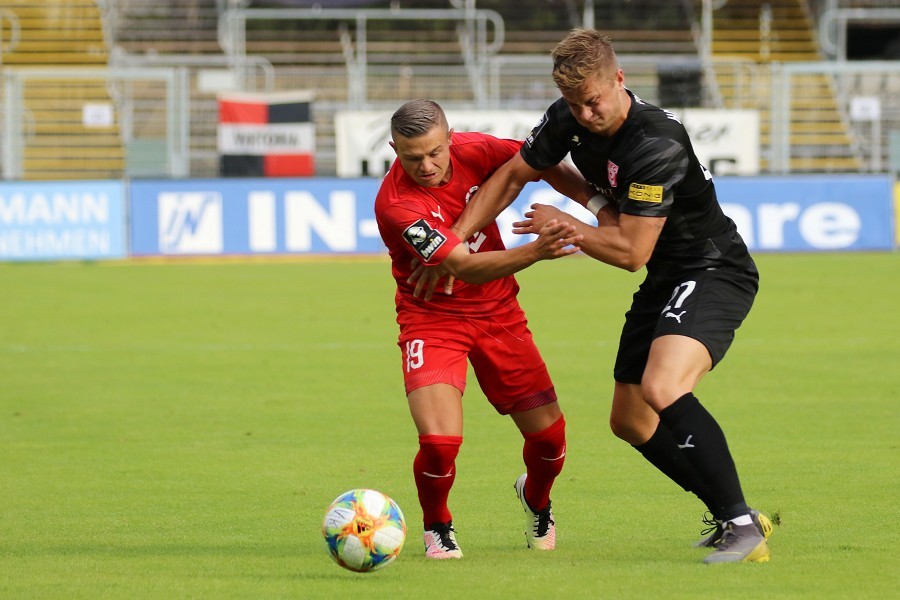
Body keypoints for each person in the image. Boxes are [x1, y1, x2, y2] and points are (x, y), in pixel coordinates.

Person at [437, 30, 773, 564]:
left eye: (593, 101)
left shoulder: (656, 143)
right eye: (574, 104)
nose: (585, 115)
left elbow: (631, 251)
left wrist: (568, 223)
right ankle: (735, 514)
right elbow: (514, 175)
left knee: (663, 387)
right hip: (667, 277)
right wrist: (454, 241)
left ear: (620, 79)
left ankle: (740, 524)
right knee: (631, 421)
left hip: (713, 268)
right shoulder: (566, 116)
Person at [374, 98, 587, 559]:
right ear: (394, 149)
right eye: (412, 157)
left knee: (550, 442)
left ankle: (536, 497)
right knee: (439, 443)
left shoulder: (478, 150)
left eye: (435, 152)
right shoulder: (396, 205)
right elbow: (462, 268)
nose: (426, 165)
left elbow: (540, 158)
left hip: (498, 316)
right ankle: (438, 526)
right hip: (431, 318)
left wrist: (596, 203)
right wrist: (536, 250)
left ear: (450, 138)